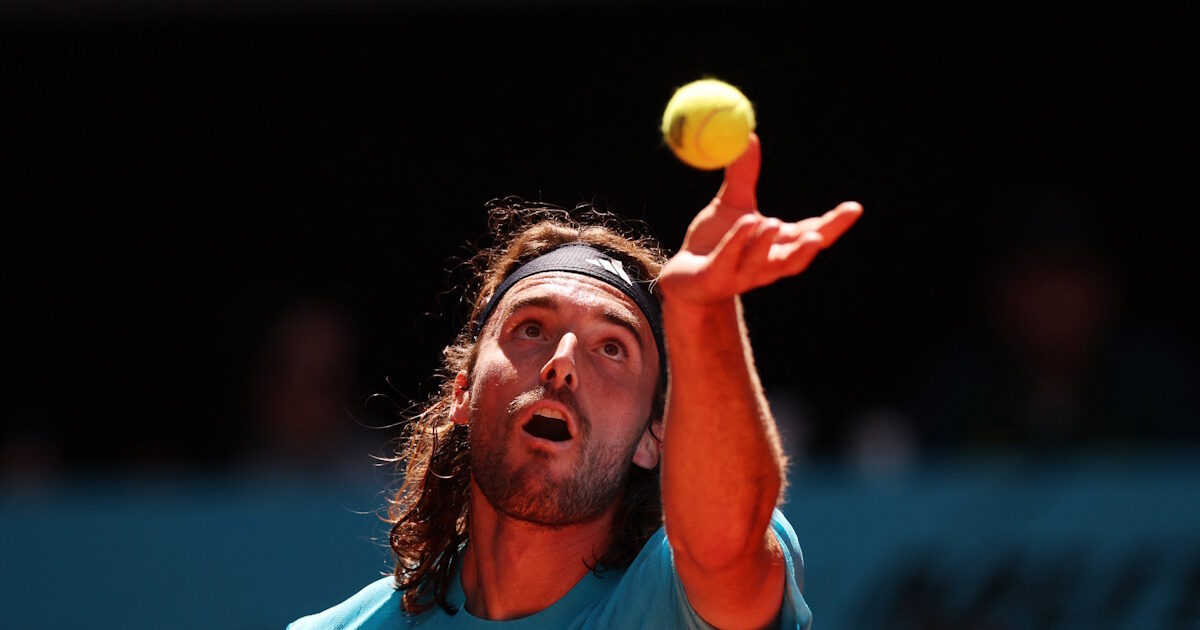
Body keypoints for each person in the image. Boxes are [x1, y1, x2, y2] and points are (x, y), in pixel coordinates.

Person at [290, 135, 862, 629]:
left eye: (612, 348)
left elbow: (727, 546)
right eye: (531, 329)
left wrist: (704, 314)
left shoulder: (675, 598)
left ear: (652, 438)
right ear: (462, 393)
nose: (561, 363)